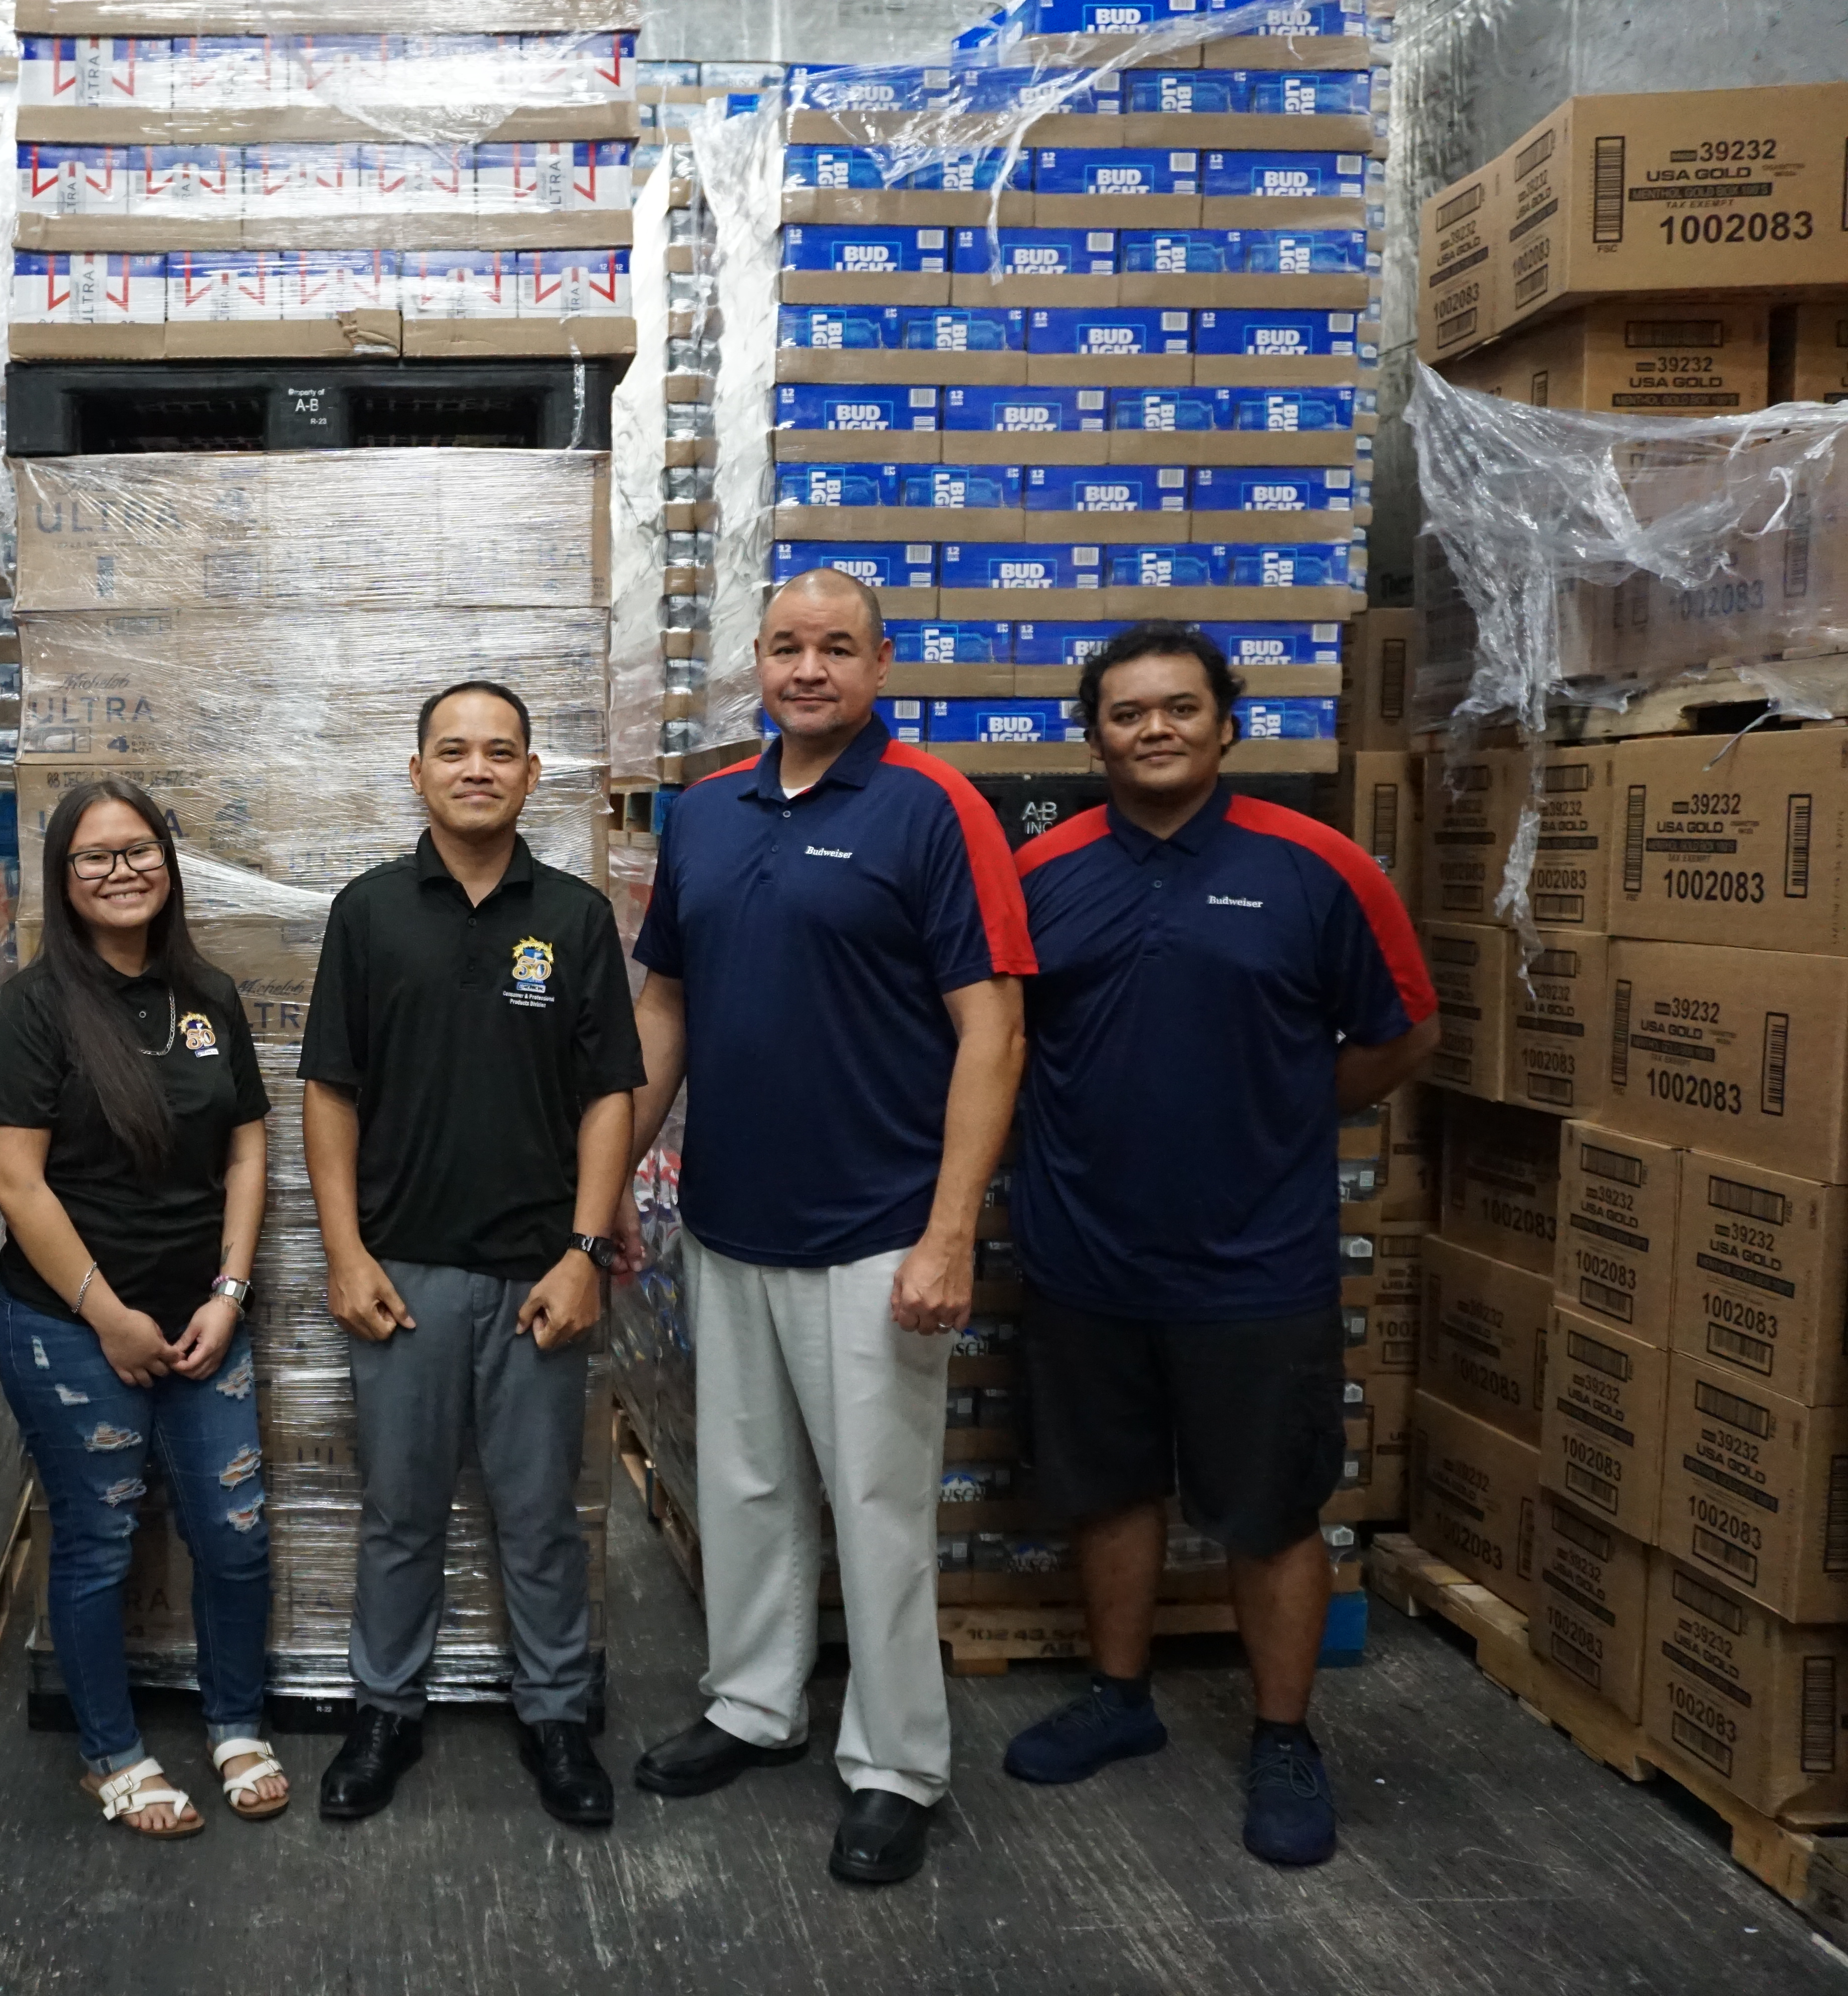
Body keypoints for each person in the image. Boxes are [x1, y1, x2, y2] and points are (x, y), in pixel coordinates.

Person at [1000, 622, 1437, 1867]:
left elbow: (1406, 1033)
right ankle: (1121, 1696)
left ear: (1227, 723)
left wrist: (1288, 1108)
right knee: (1109, 1486)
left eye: (1179, 708)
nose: (1154, 729)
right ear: (1093, 736)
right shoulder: (1046, 874)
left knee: (1271, 1508)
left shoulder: (1319, 867)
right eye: (1128, 712)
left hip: (1258, 1261)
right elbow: (1000, 1039)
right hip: (1084, 1251)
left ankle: (1285, 1734)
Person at [622, 567, 1033, 1888]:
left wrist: (951, 1229)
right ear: (756, 661)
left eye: (838, 649)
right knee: (742, 1487)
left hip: (877, 1227)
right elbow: (665, 1011)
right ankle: (752, 1704)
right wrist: (607, 1194)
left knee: (877, 1504)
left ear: (881, 663)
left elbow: (994, 1030)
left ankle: (896, 1763)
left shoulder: (932, 810)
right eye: (788, 648)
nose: (810, 670)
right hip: (731, 1217)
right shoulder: (706, 816)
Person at [299, 680, 643, 1829]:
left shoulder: (579, 917)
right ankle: (384, 1709)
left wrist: (588, 1248)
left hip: (539, 1272)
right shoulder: (369, 911)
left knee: (539, 1511)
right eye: (455, 751)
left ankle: (554, 1712)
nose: (478, 768)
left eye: (502, 751)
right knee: (399, 1511)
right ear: (418, 772)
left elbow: (609, 1095)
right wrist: (345, 1252)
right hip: (404, 1273)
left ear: (533, 774)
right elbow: (329, 1094)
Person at [0, 776, 285, 1839]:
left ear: (169, 860)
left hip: (205, 1317)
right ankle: (113, 1751)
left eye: (139, 849)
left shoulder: (207, 994)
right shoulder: (33, 1007)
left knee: (235, 1535)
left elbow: (248, 1141)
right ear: (64, 882)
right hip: (71, 1328)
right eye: (95, 857)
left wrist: (232, 1290)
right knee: (98, 1543)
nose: (122, 871)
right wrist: (105, 1311)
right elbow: (16, 1181)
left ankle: (236, 1721)